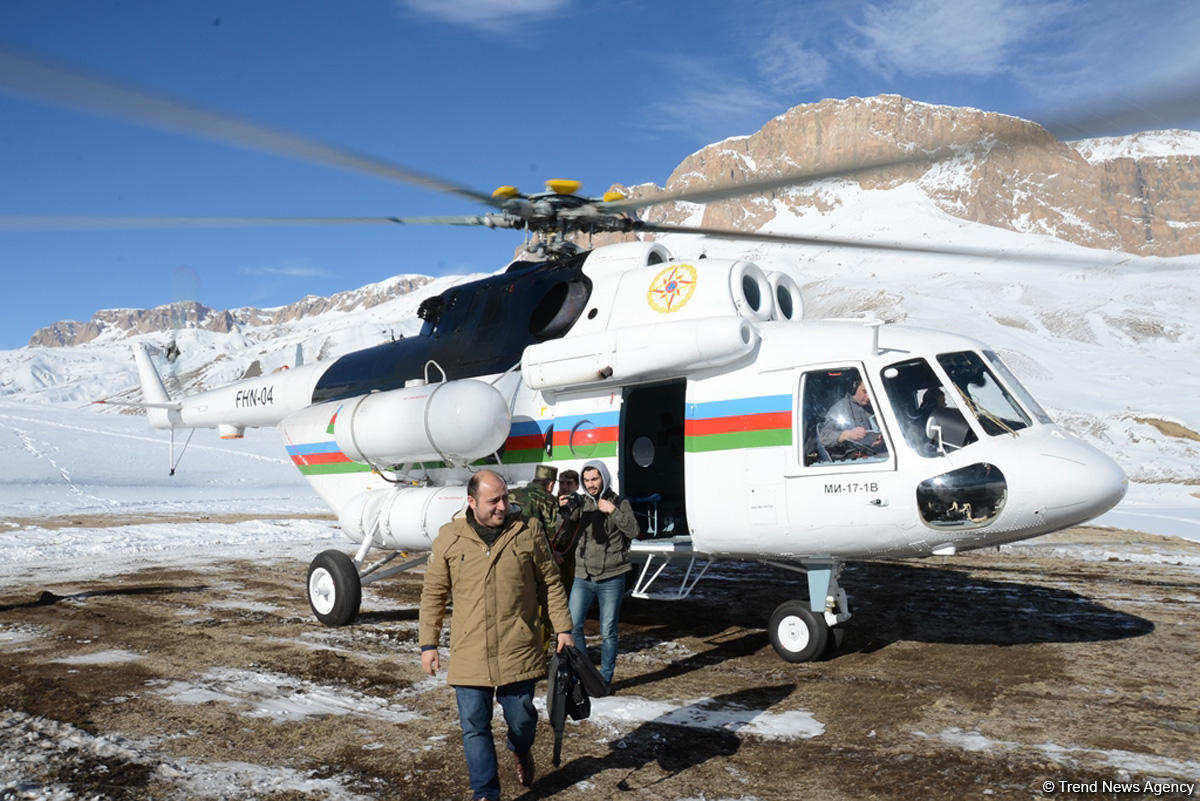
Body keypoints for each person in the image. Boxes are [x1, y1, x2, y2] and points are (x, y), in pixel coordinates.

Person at [419, 469, 574, 801]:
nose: (503, 506)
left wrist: (563, 628)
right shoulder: (450, 538)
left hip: (517, 647)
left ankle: (520, 747)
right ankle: (485, 793)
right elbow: (433, 594)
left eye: (505, 497)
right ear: (472, 502)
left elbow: (550, 583)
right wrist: (428, 644)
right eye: (494, 501)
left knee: (522, 720)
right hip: (469, 651)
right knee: (474, 727)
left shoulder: (527, 531)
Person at [565, 460, 637, 685]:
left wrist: (613, 511)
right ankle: (587, 675)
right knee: (573, 626)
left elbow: (634, 531)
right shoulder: (582, 504)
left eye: (594, 479)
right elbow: (565, 532)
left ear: (603, 478)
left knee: (608, 631)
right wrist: (563, 510)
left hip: (612, 576)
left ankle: (605, 679)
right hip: (583, 575)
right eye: (586, 480)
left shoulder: (619, 502)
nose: (590, 484)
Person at [818, 378, 886, 460]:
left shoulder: (873, 408)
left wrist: (880, 440)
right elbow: (824, 437)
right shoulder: (840, 408)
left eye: (872, 393)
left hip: (874, 454)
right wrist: (847, 434)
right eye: (864, 391)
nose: (868, 397)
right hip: (852, 460)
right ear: (854, 388)